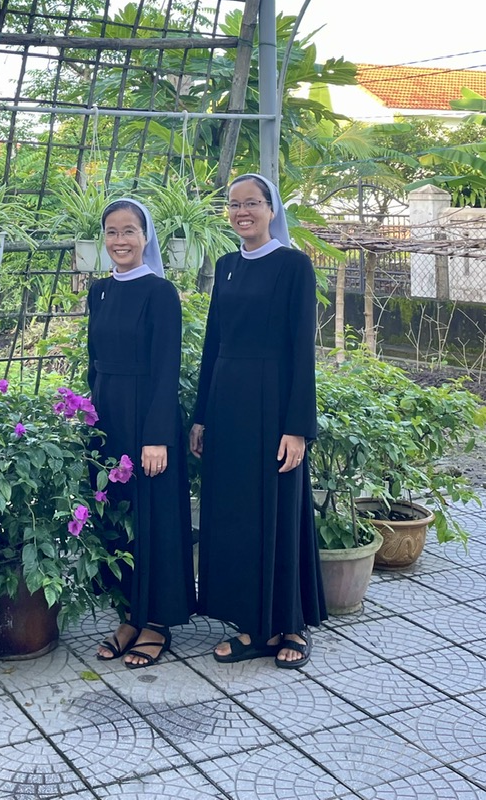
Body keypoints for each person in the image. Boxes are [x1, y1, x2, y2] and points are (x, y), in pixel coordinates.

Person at [189, 173, 326, 669]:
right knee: (236, 513)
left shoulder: (294, 265)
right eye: (234, 204)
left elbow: (302, 351)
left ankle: (289, 624)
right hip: (227, 405)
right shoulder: (226, 266)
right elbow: (213, 345)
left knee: (278, 508)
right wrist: (201, 417)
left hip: (273, 407)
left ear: (271, 209)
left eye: (252, 203)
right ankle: (250, 622)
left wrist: (298, 427)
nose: (242, 212)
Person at [87, 197, 196, 667]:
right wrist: (90, 419)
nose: (120, 240)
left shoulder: (160, 292)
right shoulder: (99, 291)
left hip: (148, 418)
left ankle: (157, 623)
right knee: (118, 517)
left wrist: (157, 437)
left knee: (153, 518)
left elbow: (166, 368)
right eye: (112, 231)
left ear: (145, 236)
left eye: (129, 231)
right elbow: (93, 361)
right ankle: (129, 615)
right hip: (108, 419)